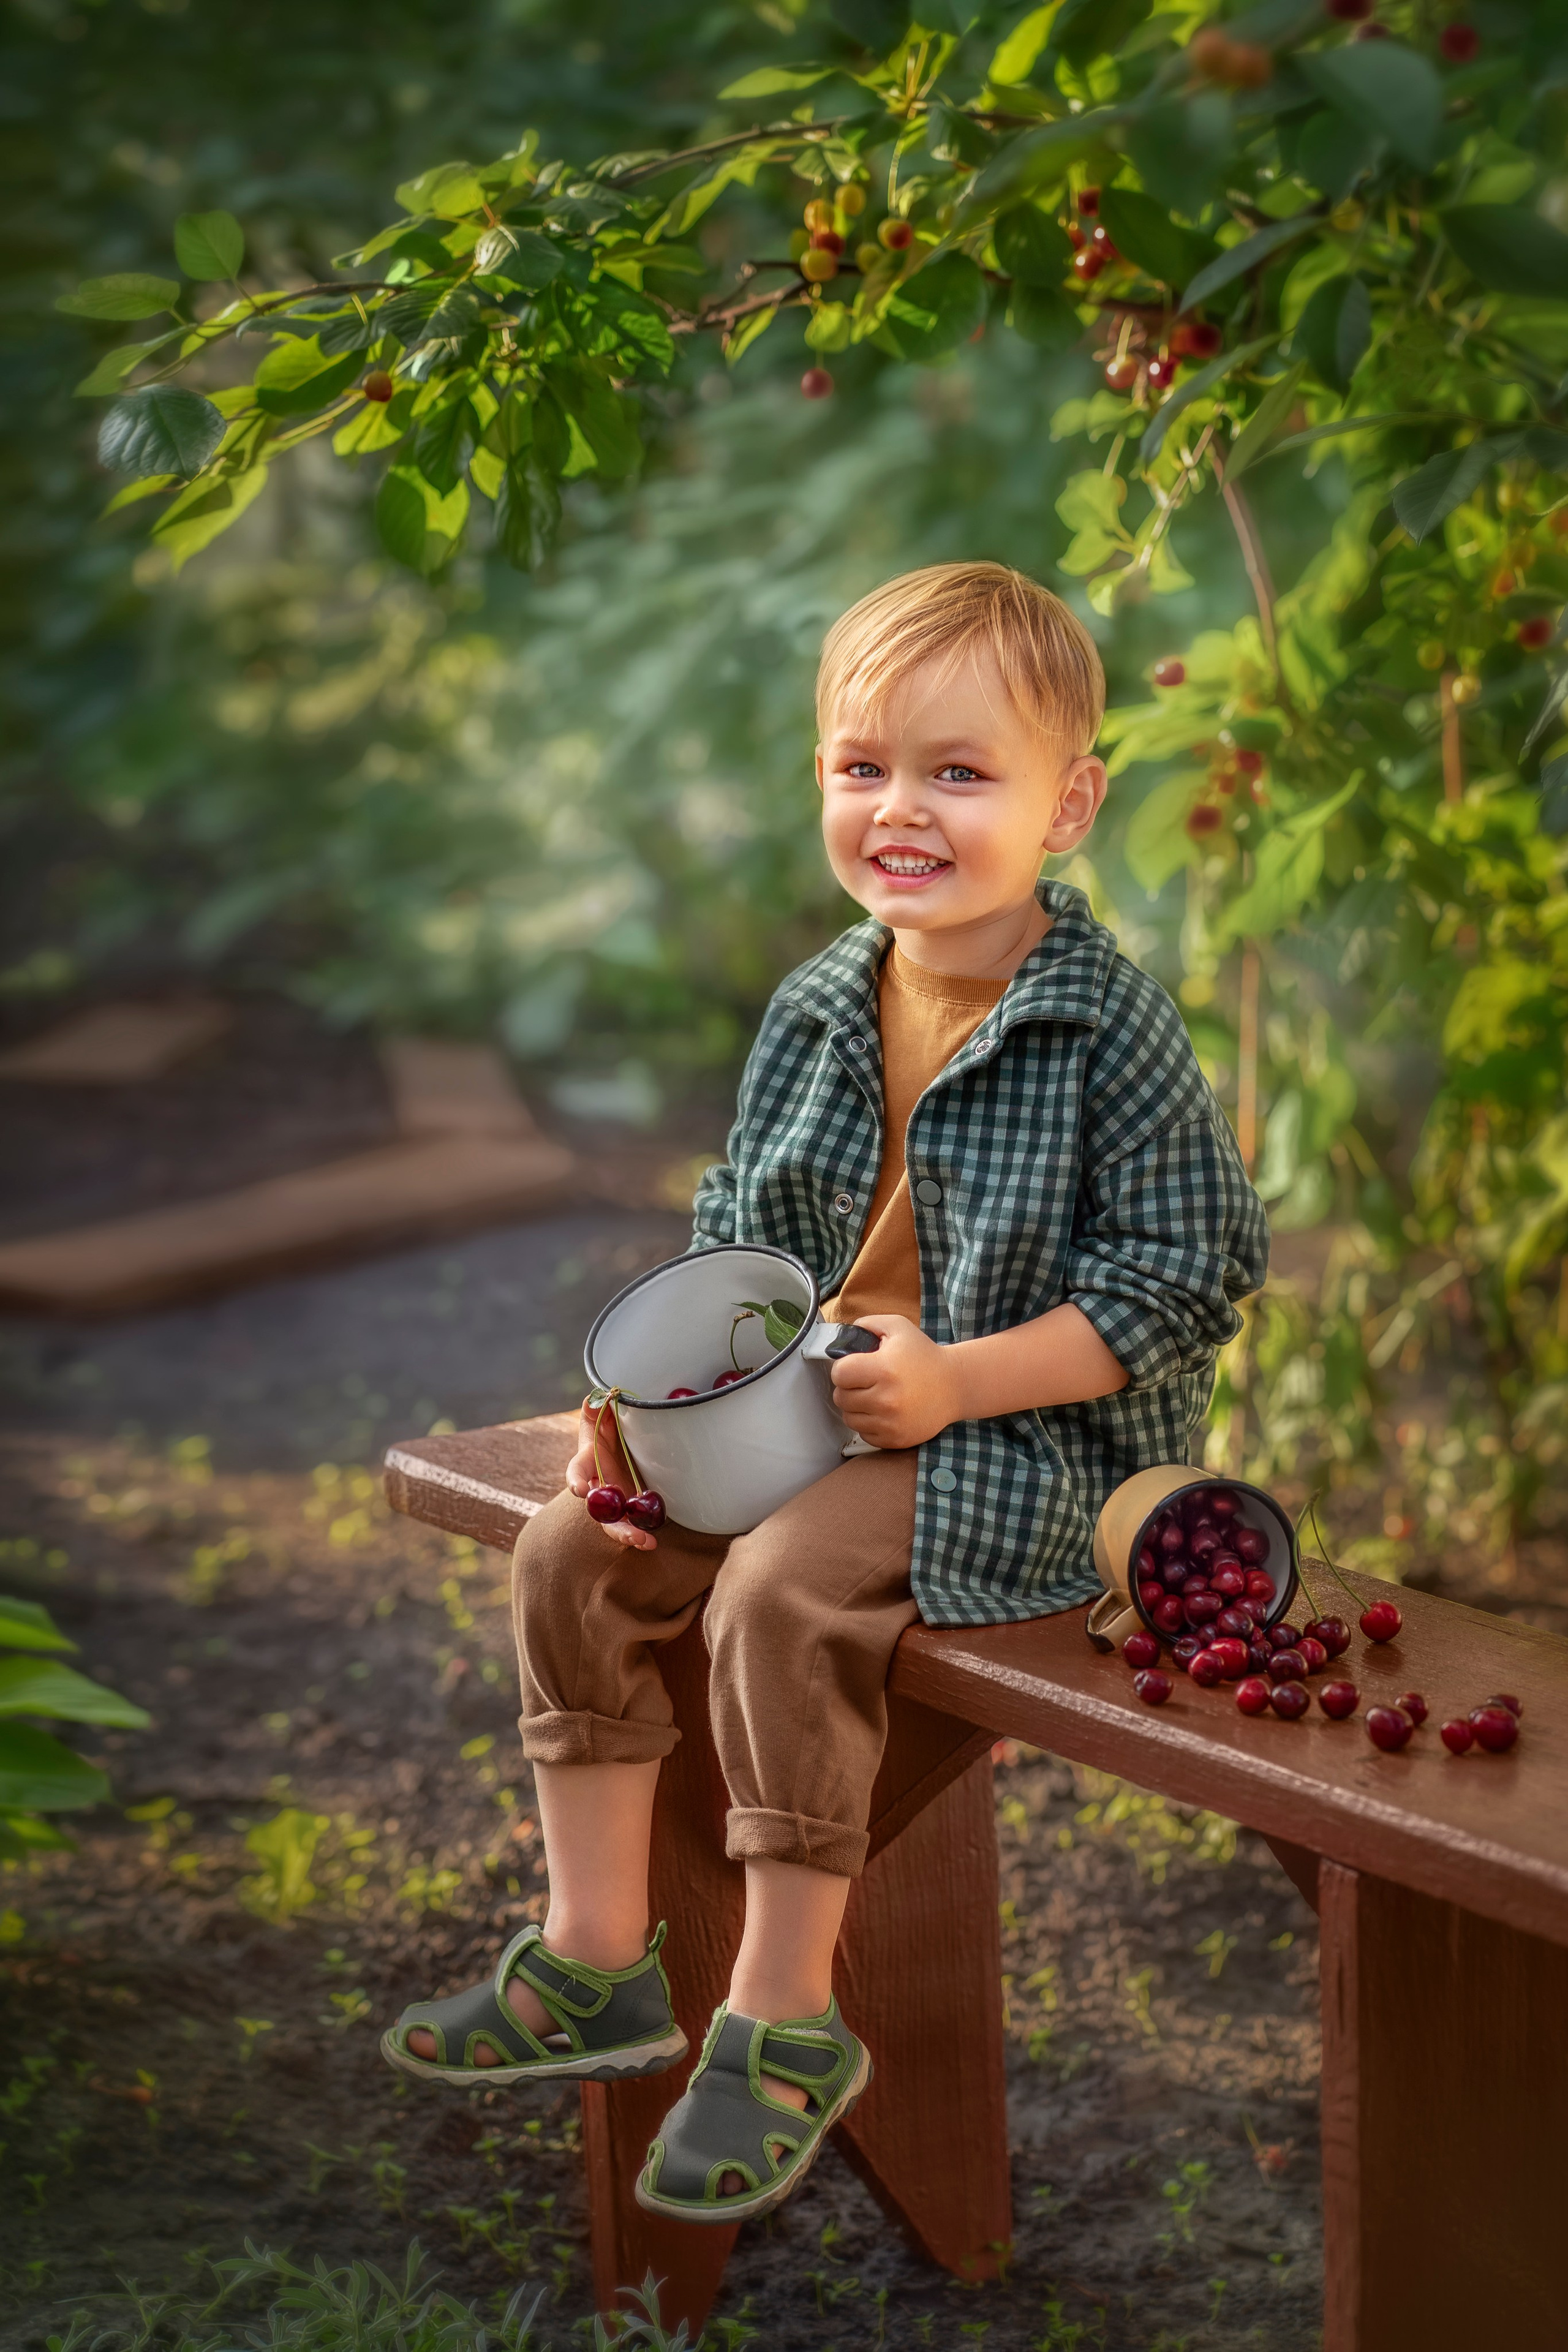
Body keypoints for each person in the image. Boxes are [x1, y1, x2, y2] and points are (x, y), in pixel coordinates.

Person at [380, 561, 1269, 2223]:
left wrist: (958, 1383)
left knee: (777, 1597)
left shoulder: (1109, 1033)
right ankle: (592, 1958)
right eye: (864, 768)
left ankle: (783, 2023)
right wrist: (648, 1409)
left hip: (1028, 1436)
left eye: (959, 772)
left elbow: (1182, 1281)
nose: (902, 811)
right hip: (798, 1400)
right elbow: (741, 1228)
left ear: (1069, 805)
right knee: (579, 1549)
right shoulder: (818, 1002)